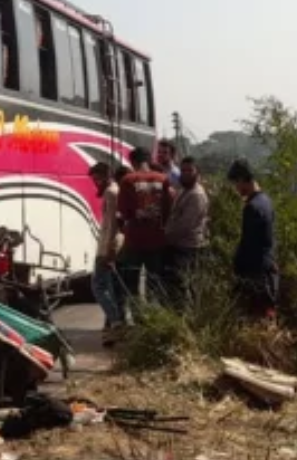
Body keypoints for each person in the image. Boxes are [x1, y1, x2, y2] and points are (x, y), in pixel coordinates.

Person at [115, 146, 173, 312]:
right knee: (155, 283)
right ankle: (155, 320)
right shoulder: (163, 179)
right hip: (157, 240)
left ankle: (139, 320)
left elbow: (124, 213)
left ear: (133, 162)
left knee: (132, 284)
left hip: (134, 241)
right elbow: (168, 210)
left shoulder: (127, 180)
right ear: (149, 160)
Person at [226, 159, 278, 320]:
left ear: (242, 179)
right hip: (267, 270)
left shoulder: (252, 207)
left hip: (255, 275)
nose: (236, 188)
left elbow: (249, 245)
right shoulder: (266, 201)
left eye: (236, 183)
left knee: (252, 319)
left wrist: (237, 267)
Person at [164, 156, 209, 303]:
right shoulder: (184, 190)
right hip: (179, 245)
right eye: (183, 170)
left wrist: (166, 235)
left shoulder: (196, 194)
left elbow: (185, 225)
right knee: (178, 287)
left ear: (197, 172)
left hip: (189, 247)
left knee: (184, 288)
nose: (185, 173)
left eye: (189, 170)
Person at [88, 162, 125, 344]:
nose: (96, 184)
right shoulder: (115, 190)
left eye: (97, 179)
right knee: (111, 288)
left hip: (107, 247)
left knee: (98, 286)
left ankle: (116, 321)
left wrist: (107, 252)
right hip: (111, 245)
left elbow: (112, 224)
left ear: (105, 176)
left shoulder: (111, 192)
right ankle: (112, 327)